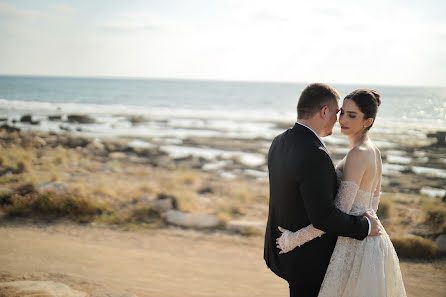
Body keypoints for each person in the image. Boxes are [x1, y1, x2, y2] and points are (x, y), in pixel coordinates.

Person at [276, 88, 407, 296]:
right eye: (342, 113)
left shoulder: (358, 154)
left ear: (368, 122)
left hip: (355, 244)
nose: (342, 119)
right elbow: (374, 202)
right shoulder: (374, 151)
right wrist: (368, 222)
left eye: (352, 115)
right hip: (372, 243)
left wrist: (293, 239)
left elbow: (337, 212)